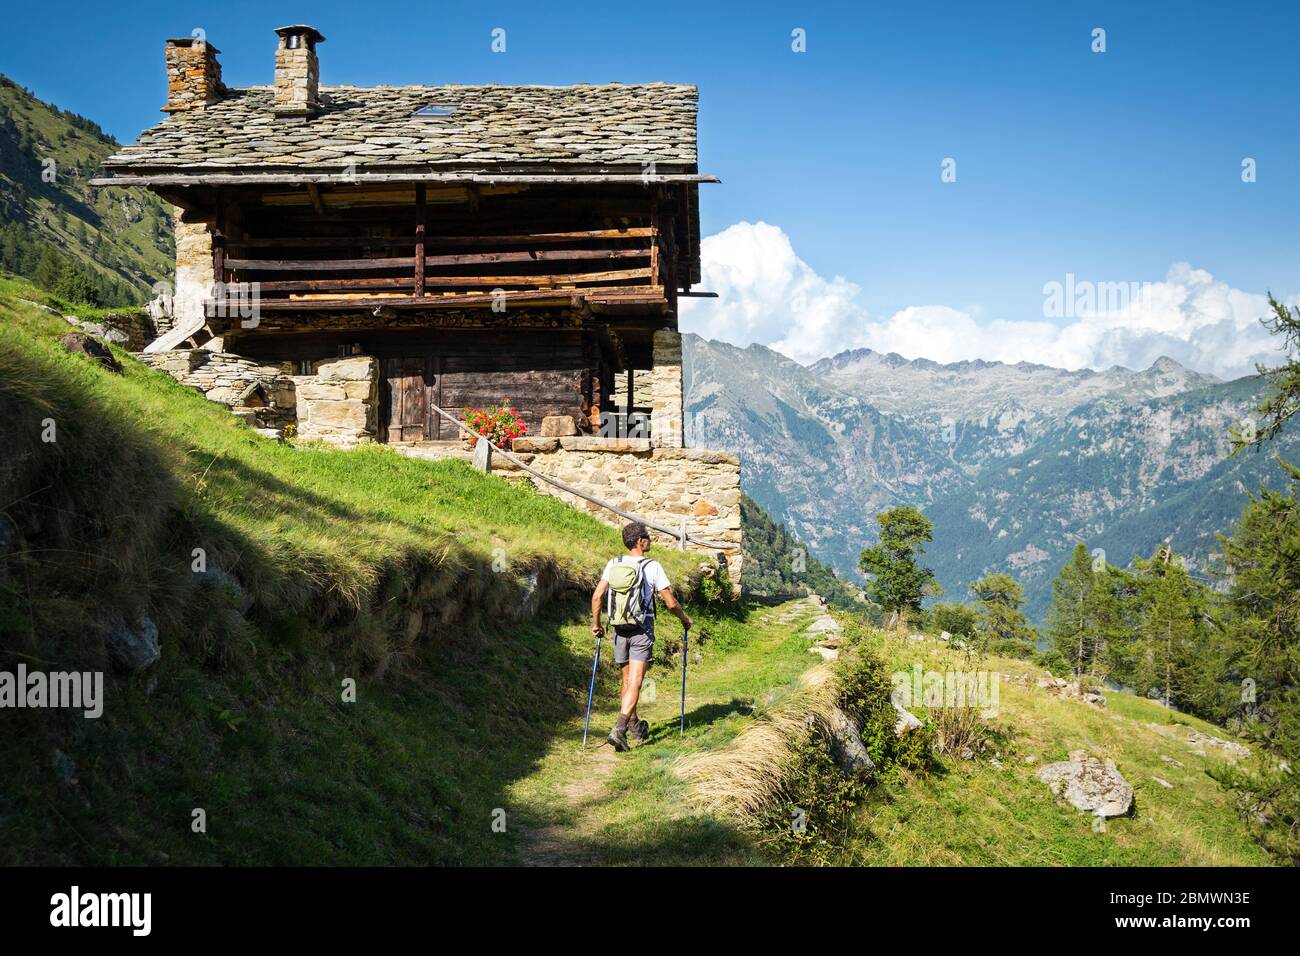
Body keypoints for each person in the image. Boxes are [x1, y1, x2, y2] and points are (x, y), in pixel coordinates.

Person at [590, 521, 693, 752]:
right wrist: (685, 620)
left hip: (618, 627)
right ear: (640, 541)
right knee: (636, 681)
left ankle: (634, 726)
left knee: (626, 681)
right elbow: (670, 602)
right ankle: (619, 728)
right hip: (641, 627)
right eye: (648, 536)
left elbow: (597, 597)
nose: (650, 540)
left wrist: (596, 625)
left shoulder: (613, 563)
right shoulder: (652, 566)